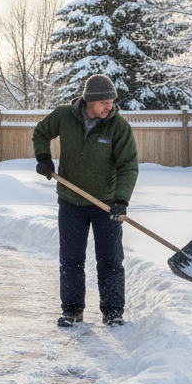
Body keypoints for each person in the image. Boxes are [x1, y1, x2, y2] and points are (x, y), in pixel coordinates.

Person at [33, 73, 138, 327]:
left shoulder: (118, 127)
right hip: (70, 201)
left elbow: (128, 165)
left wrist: (121, 200)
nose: (109, 107)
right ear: (89, 100)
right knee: (71, 259)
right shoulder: (64, 116)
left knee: (110, 260)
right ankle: (72, 311)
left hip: (106, 204)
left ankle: (113, 312)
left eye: (111, 102)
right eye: (104, 102)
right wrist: (43, 158)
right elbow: (41, 132)